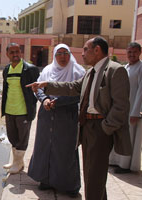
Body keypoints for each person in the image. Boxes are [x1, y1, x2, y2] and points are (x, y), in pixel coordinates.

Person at [27, 36, 132, 200]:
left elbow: (121, 106)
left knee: (95, 174)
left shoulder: (114, 70)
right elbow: (73, 87)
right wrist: (46, 85)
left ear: (97, 50)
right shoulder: (91, 72)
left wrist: (106, 127)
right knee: (91, 173)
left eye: (85, 49)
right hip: (87, 125)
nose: (82, 54)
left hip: (100, 127)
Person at [28, 44, 85, 197]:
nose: (62, 56)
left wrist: (58, 102)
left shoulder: (78, 71)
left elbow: (80, 94)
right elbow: (38, 88)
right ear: (54, 55)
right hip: (47, 113)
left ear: (70, 54)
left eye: (65, 53)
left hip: (67, 115)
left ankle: (69, 185)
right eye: (58, 53)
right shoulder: (47, 70)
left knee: (65, 148)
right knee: (45, 145)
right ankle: (45, 180)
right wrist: (45, 99)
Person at [1, 42, 39, 174]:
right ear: (7, 54)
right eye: (12, 52)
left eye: (17, 51)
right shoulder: (6, 70)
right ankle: (16, 162)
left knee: (22, 138)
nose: (15, 54)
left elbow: (38, 90)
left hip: (23, 110)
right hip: (9, 109)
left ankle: (18, 164)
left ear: (21, 53)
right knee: (12, 137)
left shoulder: (30, 69)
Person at [109, 42, 142, 173]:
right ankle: (115, 161)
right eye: (129, 52)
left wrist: (135, 112)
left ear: (139, 52)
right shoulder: (126, 67)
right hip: (121, 109)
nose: (131, 54)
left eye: (134, 52)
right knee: (119, 135)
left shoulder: (140, 68)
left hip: (133, 110)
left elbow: (141, 91)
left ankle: (125, 165)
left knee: (129, 137)